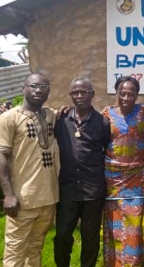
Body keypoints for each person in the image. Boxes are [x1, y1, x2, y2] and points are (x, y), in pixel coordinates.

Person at [0, 73, 59, 267]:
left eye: (43, 86)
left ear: (48, 91)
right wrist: (8, 194)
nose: (38, 90)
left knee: (35, 249)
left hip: (48, 198)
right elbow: (2, 156)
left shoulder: (50, 115)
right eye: (33, 86)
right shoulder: (9, 118)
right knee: (15, 252)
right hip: (22, 200)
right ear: (23, 88)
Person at [53, 77, 111, 267]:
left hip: (93, 191)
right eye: (75, 92)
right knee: (62, 234)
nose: (79, 95)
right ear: (70, 95)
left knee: (90, 236)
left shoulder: (102, 123)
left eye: (84, 91)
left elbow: (106, 149)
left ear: (92, 94)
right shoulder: (61, 120)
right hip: (67, 189)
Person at [102, 76, 144, 266]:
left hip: (135, 179)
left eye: (131, 94)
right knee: (113, 226)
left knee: (134, 227)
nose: (126, 97)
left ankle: (133, 263)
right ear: (116, 93)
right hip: (112, 178)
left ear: (137, 95)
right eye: (122, 93)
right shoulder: (106, 114)